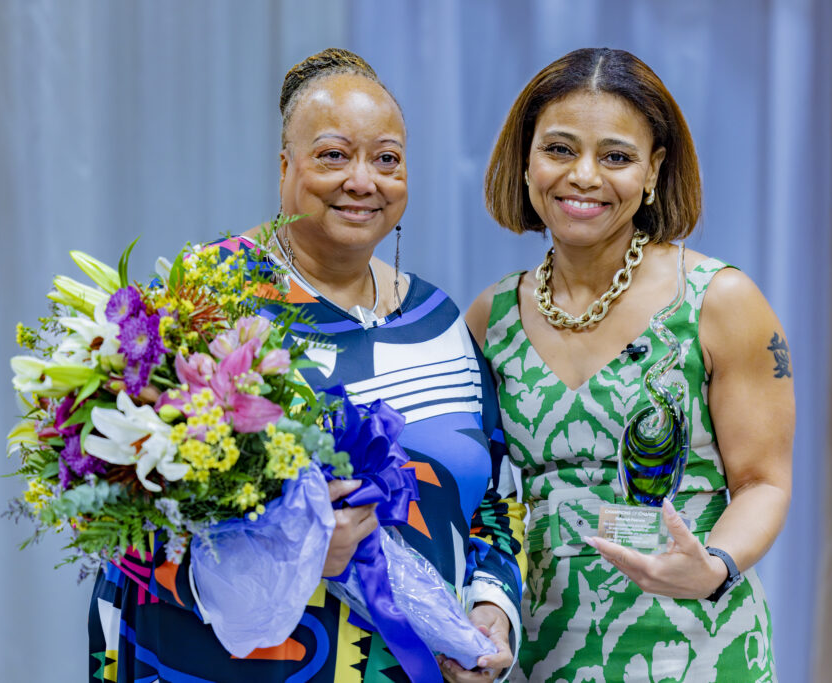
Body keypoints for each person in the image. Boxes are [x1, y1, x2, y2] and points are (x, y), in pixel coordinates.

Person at [88, 48, 526, 683]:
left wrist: (491, 610)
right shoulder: (207, 299)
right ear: (284, 165)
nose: (362, 179)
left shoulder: (440, 321)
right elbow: (121, 512)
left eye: (387, 159)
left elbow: (495, 497)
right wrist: (290, 555)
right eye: (332, 155)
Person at [466, 47, 794, 681]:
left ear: (653, 171)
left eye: (615, 157)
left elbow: (764, 483)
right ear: (525, 159)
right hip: (536, 651)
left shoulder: (719, 301)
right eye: (559, 149)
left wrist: (715, 564)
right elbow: (490, 501)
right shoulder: (492, 316)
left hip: (695, 645)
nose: (584, 175)